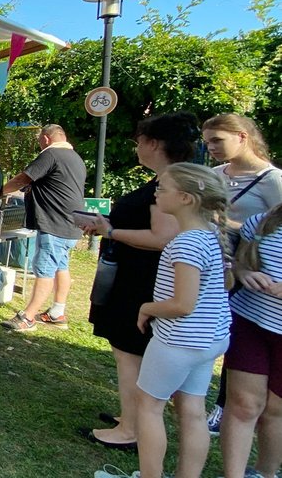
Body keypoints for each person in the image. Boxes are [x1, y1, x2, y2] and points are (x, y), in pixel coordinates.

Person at [97, 163, 231, 478]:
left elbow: (183, 304)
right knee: (193, 412)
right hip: (208, 340)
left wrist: (147, 308)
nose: (156, 193)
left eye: (163, 188)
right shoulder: (208, 234)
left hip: (178, 341)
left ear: (185, 198)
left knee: (148, 407)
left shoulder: (187, 243)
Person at [82, 112, 199, 449]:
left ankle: (131, 429)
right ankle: (129, 415)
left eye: (139, 141)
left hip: (141, 280)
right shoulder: (170, 179)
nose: (136, 148)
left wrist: (112, 231)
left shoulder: (171, 182)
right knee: (130, 351)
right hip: (139, 275)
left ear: (154, 144)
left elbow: (163, 237)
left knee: (129, 352)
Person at [201, 113, 282, 434]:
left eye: (217, 140)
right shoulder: (215, 173)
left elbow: (275, 228)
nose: (211, 148)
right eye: (207, 142)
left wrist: (227, 225)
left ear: (243, 136)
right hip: (212, 266)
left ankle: (223, 407)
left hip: (250, 278)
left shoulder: (272, 180)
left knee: (237, 342)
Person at [0, 124, 86, 332]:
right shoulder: (76, 158)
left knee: (45, 270)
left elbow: (23, 179)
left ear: (46, 139)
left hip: (54, 223)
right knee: (61, 267)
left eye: (39, 141)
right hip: (71, 224)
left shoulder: (52, 154)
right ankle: (57, 312)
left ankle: (28, 318)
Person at [219, 204, 282, 478]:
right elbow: (239, 260)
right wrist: (243, 273)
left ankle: (266, 473)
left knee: (275, 410)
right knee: (243, 404)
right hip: (250, 322)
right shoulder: (263, 221)